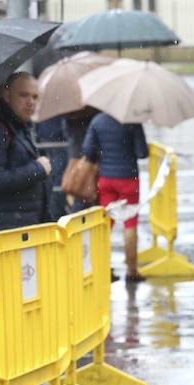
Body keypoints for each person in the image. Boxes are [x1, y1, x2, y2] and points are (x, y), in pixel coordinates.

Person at [0, 71, 53, 238]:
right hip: (4, 231)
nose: (30, 102)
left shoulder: (19, 126)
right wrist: (38, 169)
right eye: (24, 95)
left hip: (21, 227)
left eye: (35, 97)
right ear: (6, 95)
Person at [81, 111, 148, 283]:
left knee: (106, 225)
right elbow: (142, 152)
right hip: (128, 179)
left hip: (106, 180)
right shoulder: (132, 121)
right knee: (130, 224)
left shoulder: (97, 121)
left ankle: (104, 268)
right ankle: (132, 271)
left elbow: (88, 151)